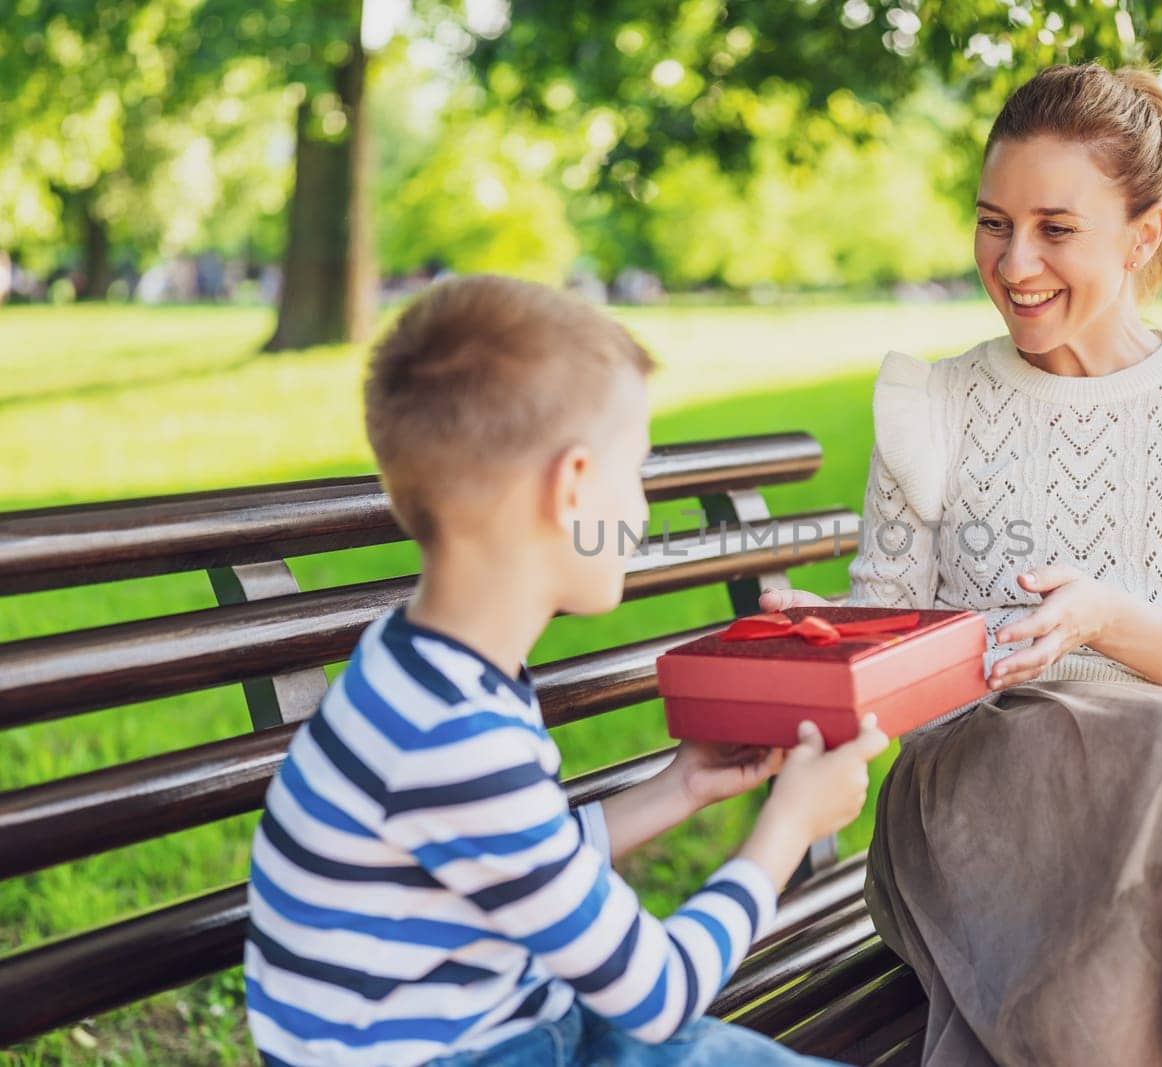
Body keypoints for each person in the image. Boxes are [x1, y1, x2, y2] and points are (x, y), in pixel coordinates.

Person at [762, 63, 1162, 1065]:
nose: (1013, 260)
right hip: (977, 796)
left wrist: (1106, 620)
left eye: (1055, 228)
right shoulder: (932, 406)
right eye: (992, 222)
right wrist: (827, 634)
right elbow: (887, 628)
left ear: (1144, 233)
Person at [243, 275, 887, 1067]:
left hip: (517, 1032)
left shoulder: (425, 667)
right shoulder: (453, 732)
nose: (644, 511)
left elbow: (520, 858)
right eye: (638, 472)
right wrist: (789, 827)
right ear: (574, 485)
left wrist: (677, 788)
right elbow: (660, 995)